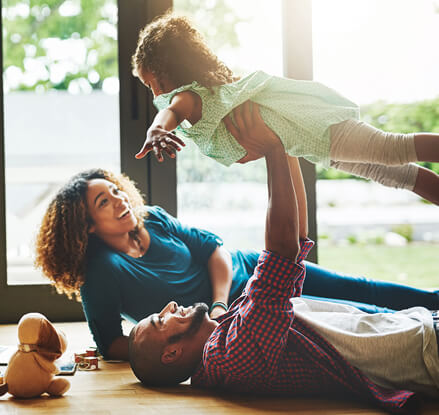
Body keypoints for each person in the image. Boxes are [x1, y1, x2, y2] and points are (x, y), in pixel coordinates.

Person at [34, 106, 439, 362]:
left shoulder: (151, 219)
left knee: (363, 289)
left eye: (116, 190)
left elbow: (215, 250)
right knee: (357, 319)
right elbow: (112, 344)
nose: (120, 199)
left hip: (253, 273)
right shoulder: (101, 271)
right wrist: (190, 350)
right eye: (104, 202)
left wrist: (217, 304)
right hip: (245, 320)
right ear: (85, 225)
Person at [128, 114, 439, 413]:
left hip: (418, 328)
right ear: (171, 354)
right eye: (160, 320)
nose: (169, 305)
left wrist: (285, 147)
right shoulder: (230, 355)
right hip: (425, 351)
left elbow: (296, 239)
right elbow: (280, 253)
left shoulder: (227, 332)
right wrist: (272, 149)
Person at [131, 11, 439, 206]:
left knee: (391, 148)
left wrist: (157, 130)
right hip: (313, 142)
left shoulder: (189, 98)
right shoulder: (213, 94)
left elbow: (170, 113)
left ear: (167, 70)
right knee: (396, 174)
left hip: (316, 127)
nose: (154, 93)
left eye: (151, 84)